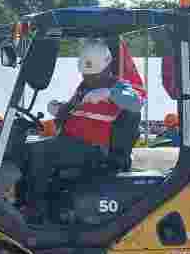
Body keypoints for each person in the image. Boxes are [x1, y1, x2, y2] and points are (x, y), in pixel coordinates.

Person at [23, 39, 146, 221]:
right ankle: (38, 202)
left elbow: (136, 103)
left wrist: (110, 93)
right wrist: (59, 108)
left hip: (94, 148)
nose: (88, 79)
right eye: (86, 75)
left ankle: (35, 210)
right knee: (27, 148)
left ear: (107, 68)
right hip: (71, 142)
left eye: (93, 75)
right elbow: (71, 110)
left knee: (40, 152)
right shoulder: (84, 87)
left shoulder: (118, 86)